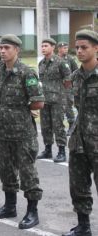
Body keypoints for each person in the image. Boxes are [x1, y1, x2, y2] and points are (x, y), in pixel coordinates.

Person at [0, 34, 44, 230]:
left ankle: (32, 211)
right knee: (6, 172)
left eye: (7, 48)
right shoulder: (0, 69)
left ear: (17, 50)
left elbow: (38, 101)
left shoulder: (26, 73)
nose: (3, 51)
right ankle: (10, 206)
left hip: (23, 134)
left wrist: (21, 110)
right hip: (4, 131)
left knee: (27, 173)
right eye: (1, 47)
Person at [62, 29, 98, 236]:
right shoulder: (74, 77)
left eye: (84, 47)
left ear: (96, 48)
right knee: (78, 187)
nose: (80, 51)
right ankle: (83, 227)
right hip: (79, 140)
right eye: (77, 47)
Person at [37, 38, 71, 163]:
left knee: (58, 126)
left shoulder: (60, 62)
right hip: (45, 100)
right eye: (42, 46)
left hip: (57, 100)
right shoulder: (41, 63)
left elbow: (68, 80)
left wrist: (62, 94)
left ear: (53, 47)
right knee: (46, 126)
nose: (43, 48)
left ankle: (61, 151)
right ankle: (47, 149)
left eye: (46, 46)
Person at [57, 42, 79, 134]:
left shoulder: (70, 59)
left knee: (68, 106)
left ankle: (71, 126)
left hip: (67, 88)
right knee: (58, 107)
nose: (66, 50)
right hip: (57, 88)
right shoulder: (55, 59)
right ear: (59, 49)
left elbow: (76, 72)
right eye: (64, 48)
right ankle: (59, 127)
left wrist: (73, 86)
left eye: (66, 48)